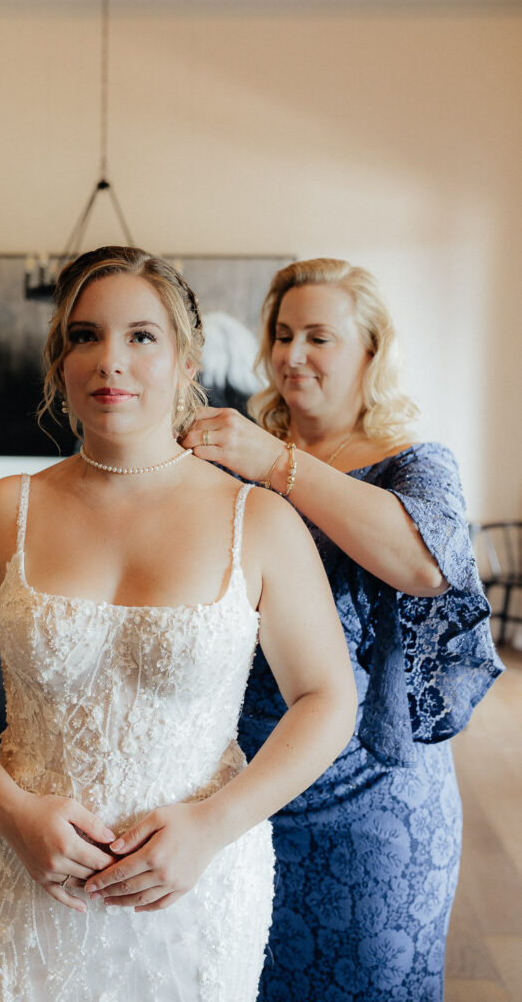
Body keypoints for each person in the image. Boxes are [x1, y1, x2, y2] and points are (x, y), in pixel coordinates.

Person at [0, 247, 357, 1002]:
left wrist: (214, 826)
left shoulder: (259, 519)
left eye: (141, 337)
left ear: (186, 363)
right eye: (84, 336)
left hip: (193, 890)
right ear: (59, 360)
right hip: (26, 883)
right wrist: (11, 813)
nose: (109, 360)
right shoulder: (2, 511)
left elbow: (327, 698)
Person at [181, 257, 502, 1002]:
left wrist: (279, 463)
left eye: (318, 337)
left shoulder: (413, 465)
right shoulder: (228, 465)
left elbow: (425, 563)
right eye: (282, 334)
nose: (291, 355)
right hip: (236, 792)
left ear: (369, 350)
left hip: (371, 808)